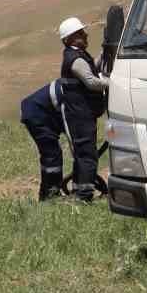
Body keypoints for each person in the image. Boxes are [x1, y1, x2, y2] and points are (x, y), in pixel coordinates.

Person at [56, 18, 107, 202]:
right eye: (80, 33)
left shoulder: (78, 55)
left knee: (83, 153)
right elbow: (91, 82)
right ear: (69, 39)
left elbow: (91, 67)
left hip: (82, 114)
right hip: (80, 115)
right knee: (87, 155)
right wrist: (113, 83)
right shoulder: (76, 59)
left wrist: (104, 53)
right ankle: (84, 196)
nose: (85, 35)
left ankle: (78, 192)